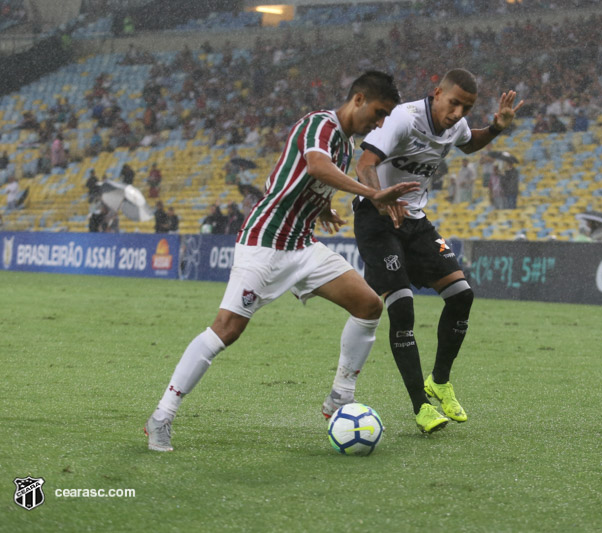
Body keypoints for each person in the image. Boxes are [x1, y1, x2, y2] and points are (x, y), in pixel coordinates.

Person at [144, 71, 419, 452]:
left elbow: (309, 180)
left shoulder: (345, 145)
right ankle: (162, 415)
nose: (380, 122)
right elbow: (317, 168)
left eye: (386, 115)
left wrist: (322, 208)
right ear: (358, 99)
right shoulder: (318, 125)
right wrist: (374, 193)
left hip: (302, 246)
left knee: (369, 304)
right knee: (227, 329)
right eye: (378, 111)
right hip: (264, 242)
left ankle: (340, 396)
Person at [354, 68, 523, 433]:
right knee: (402, 307)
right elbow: (364, 163)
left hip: (415, 220)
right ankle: (421, 406)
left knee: (462, 296)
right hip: (376, 217)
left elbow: (468, 141)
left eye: (467, 107)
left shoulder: (455, 125)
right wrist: (378, 197)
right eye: (454, 103)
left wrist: (496, 127)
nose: (459, 113)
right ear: (436, 93)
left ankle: (440, 381)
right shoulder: (404, 118)